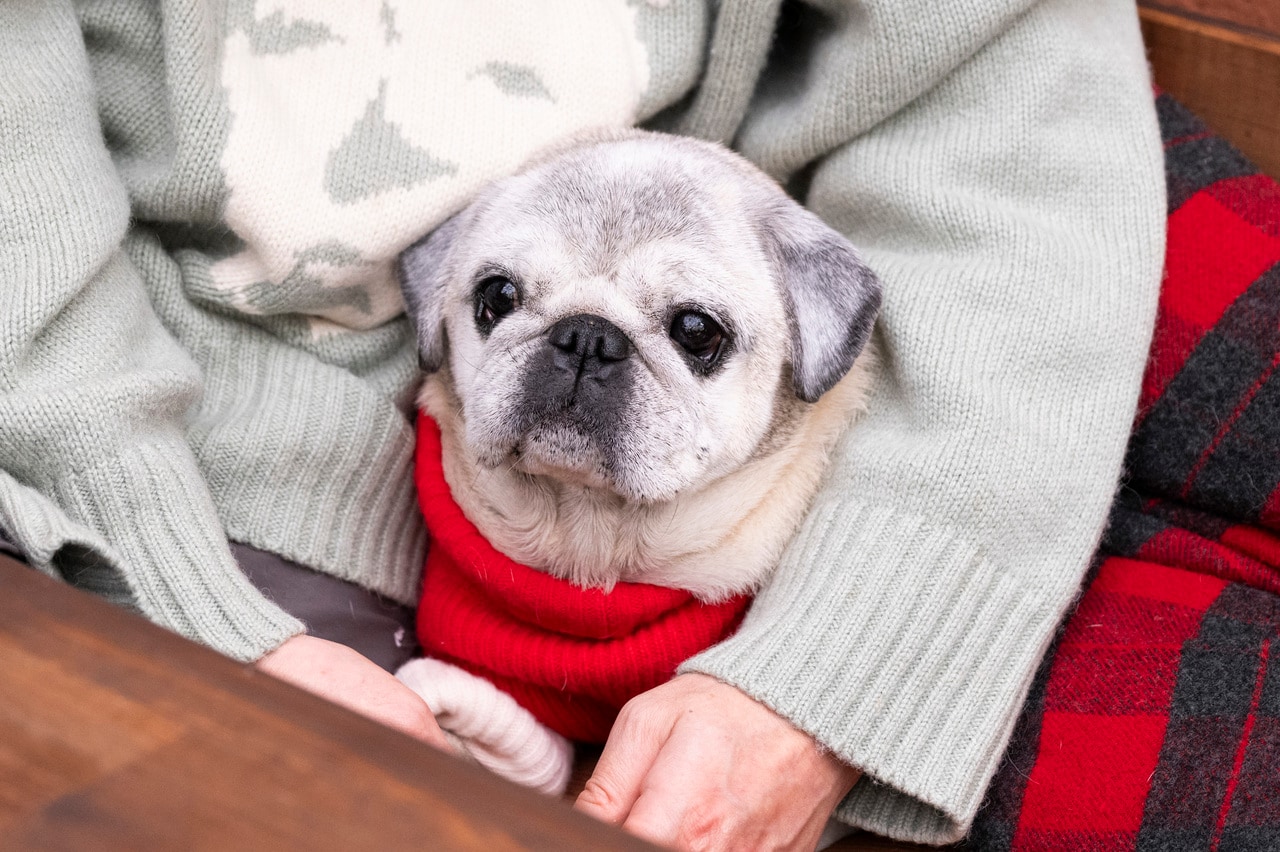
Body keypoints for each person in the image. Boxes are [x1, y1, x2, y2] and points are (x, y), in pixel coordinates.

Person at [0, 0, 1163, 848]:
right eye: (507, 303)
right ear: (448, 303)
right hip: (172, 439)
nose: (584, 358)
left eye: (688, 335)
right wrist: (160, 579)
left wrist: (837, 675)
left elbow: (1017, 140)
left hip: (777, 514)